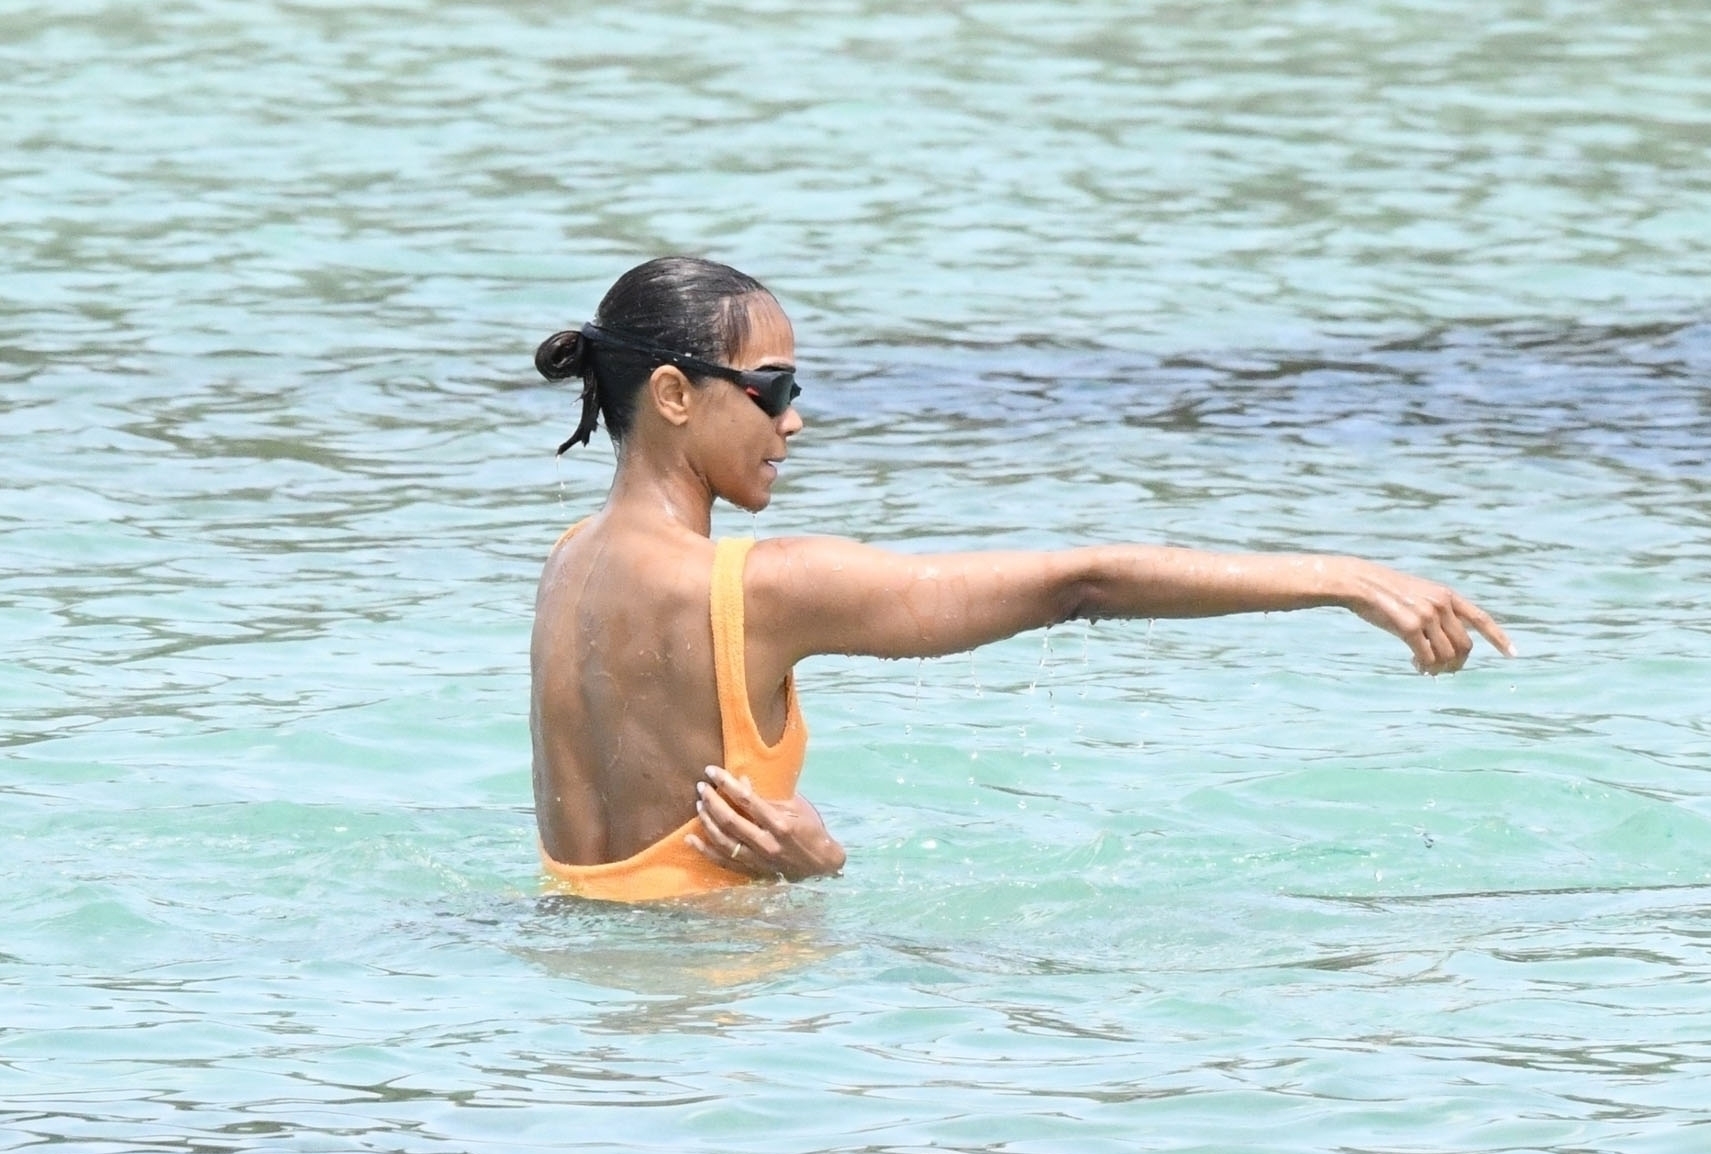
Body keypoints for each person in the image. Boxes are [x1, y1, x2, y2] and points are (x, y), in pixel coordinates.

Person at [531, 256, 1513, 902]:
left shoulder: (567, 562)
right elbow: (1079, 583)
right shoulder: (760, 587)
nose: (794, 420)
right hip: (725, 1011)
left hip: (589, 995)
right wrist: (1341, 576)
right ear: (673, 393)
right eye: (773, 388)